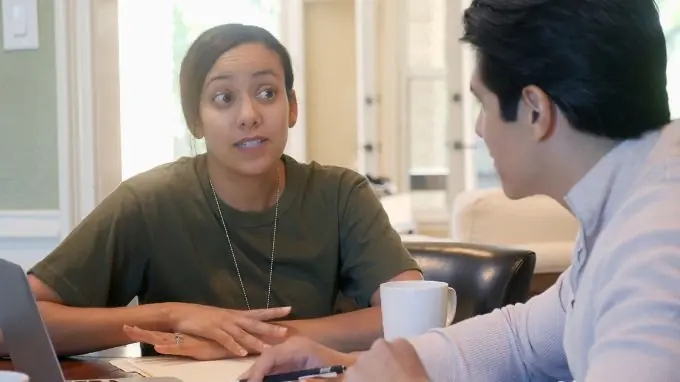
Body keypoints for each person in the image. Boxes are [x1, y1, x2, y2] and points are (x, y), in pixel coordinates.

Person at [240, 0, 680, 380]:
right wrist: (362, 364)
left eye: (482, 103)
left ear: (535, 110)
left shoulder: (656, 249)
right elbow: (523, 340)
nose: (478, 128)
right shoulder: (627, 198)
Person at [0, 23, 422, 360]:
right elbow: (10, 326)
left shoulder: (340, 193)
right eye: (223, 98)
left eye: (267, 93)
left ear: (291, 107)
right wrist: (173, 316)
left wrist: (250, 337)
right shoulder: (149, 201)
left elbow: (416, 317)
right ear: (195, 121)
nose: (249, 115)